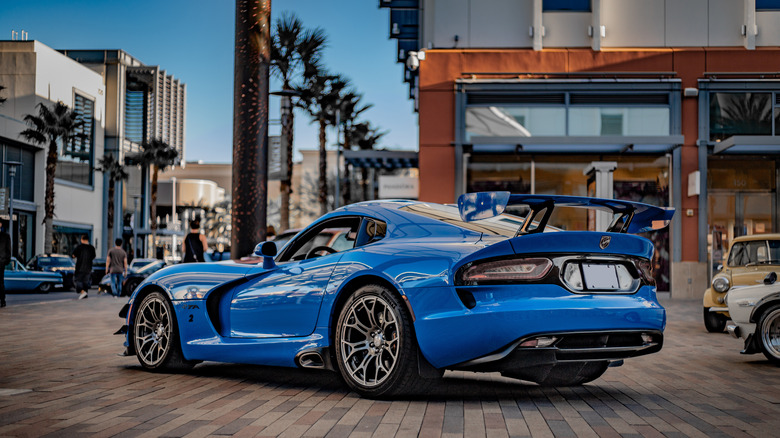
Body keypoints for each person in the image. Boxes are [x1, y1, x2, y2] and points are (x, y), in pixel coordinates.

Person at [72, 234, 96, 300]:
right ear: (88, 239)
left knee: (77, 281)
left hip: (79, 268)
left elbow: (73, 255)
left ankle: (83, 292)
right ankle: (85, 295)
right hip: (88, 268)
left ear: (82, 239)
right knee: (85, 282)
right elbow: (93, 257)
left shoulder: (79, 247)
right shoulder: (92, 248)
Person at [0, 221, 10, 308]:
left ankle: (2, 300)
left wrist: (6, 261)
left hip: (0, 262)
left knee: (0, 282)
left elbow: (8, 250)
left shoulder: (5, 236)